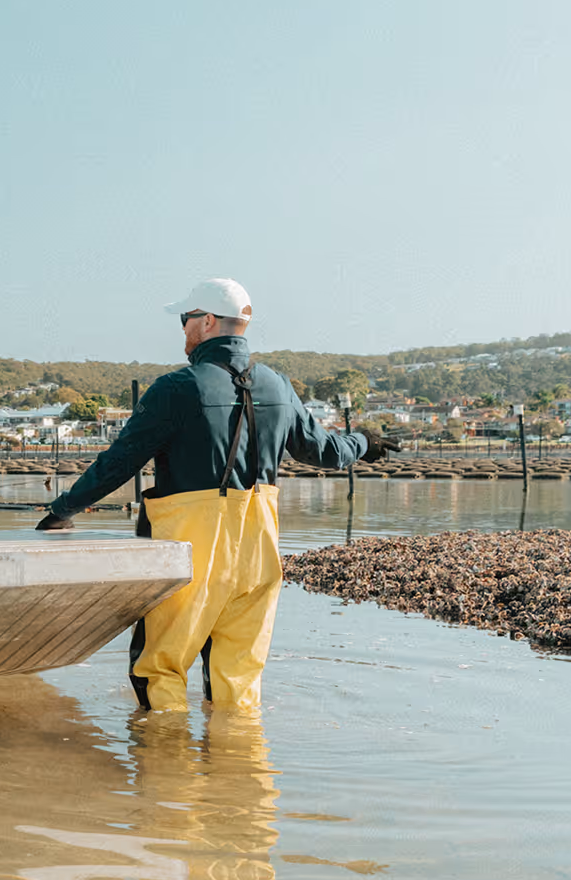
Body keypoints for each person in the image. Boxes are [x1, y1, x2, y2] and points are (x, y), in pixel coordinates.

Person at [34, 278, 398, 712]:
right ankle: (241, 773)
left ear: (206, 322)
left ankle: (167, 771)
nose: (183, 331)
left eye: (186, 320)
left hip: (190, 556)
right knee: (239, 680)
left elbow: (118, 463)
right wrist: (364, 442)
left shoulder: (175, 389)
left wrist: (62, 511)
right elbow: (326, 451)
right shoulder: (277, 386)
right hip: (259, 555)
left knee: (160, 669)